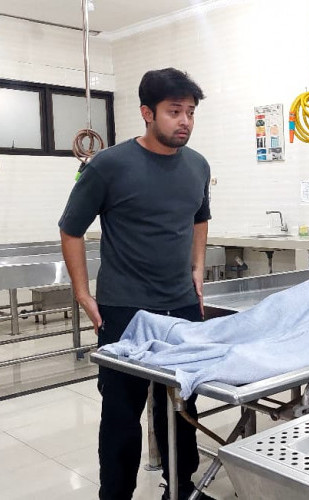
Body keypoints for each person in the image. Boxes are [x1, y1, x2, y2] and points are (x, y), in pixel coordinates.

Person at [59, 68, 213, 500]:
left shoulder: (198, 165)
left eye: (190, 112)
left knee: (180, 407)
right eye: (174, 111)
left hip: (181, 306)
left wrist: (197, 268)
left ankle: (180, 489)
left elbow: (200, 218)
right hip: (125, 310)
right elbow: (71, 229)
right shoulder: (108, 166)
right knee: (121, 414)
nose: (184, 121)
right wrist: (83, 293)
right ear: (147, 113)